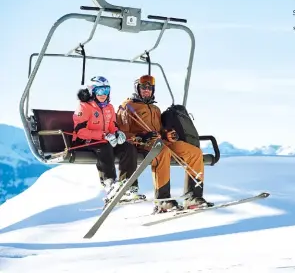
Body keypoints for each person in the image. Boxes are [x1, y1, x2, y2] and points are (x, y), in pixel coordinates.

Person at [116, 74, 213, 213]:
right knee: (162, 152)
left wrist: (167, 134)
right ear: (137, 88)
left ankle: (193, 197)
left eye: (150, 88)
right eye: (143, 87)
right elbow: (122, 134)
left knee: (194, 152)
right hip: (143, 143)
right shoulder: (127, 107)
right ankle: (163, 200)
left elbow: (159, 130)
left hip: (159, 141)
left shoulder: (155, 109)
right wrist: (141, 136)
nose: (146, 90)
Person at [72, 75, 140, 204]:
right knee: (104, 146)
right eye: (100, 91)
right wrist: (103, 135)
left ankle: (128, 184)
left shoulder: (109, 107)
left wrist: (117, 133)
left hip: (106, 140)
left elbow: (112, 126)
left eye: (106, 90)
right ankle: (109, 183)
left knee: (128, 147)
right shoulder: (84, 107)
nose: (104, 94)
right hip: (85, 140)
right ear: (92, 91)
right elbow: (79, 131)